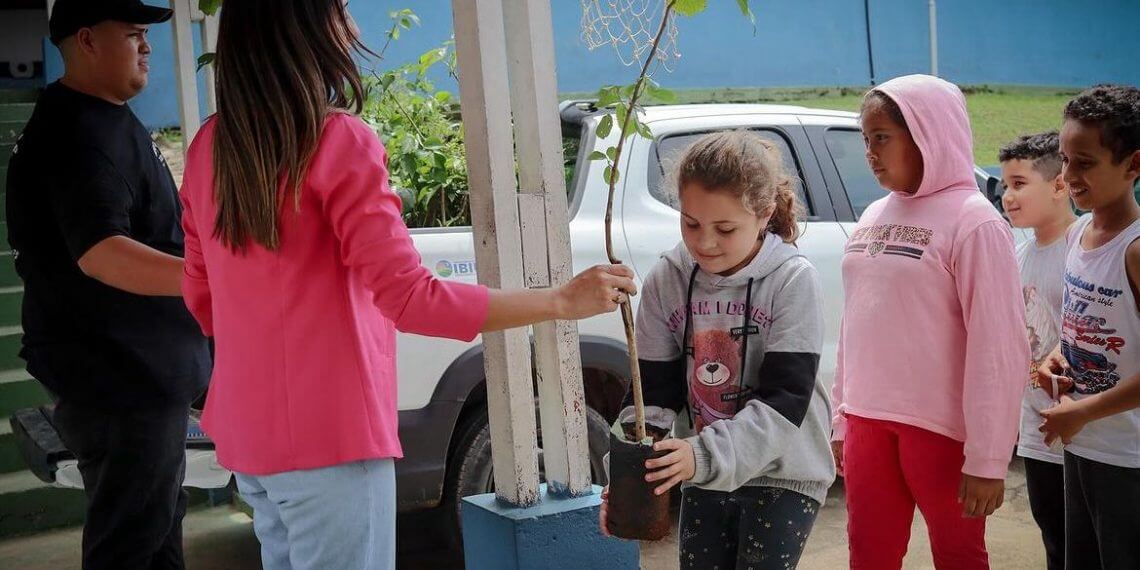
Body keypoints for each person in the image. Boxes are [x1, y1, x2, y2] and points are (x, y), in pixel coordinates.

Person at [177, 1, 637, 569]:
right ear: (307, 28)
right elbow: (410, 298)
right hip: (332, 440)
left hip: (248, 437)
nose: (350, 26)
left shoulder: (207, 147)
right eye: (340, 10)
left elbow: (202, 296)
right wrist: (559, 301)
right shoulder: (337, 142)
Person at [3, 1, 210, 568]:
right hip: (121, 382)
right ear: (88, 41)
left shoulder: (98, 116)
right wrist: (213, 280)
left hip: (137, 378)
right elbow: (101, 253)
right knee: (132, 542)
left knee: (157, 527)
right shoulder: (78, 134)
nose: (146, 46)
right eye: (134, 34)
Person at [597, 131, 835, 569]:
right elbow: (654, 394)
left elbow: (786, 402)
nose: (704, 242)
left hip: (784, 471)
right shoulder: (667, 279)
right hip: (703, 469)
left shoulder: (792, 280)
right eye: (690, 223)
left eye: (725, 228)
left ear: (763, 215)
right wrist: (630, 473)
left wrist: (700, 455)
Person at [829, 75, 1029, 569]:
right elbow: (855, 326)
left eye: (882, 137)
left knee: (959, 555)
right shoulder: (874, 214)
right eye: (866, 138)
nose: (870, 152)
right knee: (868, 553)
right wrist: (841, 418)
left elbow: (998, 346)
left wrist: (987, 458)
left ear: (927, 134)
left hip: (941, 431)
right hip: (867, 421)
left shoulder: (974, 221)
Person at [1037, 84, 1140, 569]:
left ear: (1133, 165)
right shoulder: (1078, 231)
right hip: (1083, 446)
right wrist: (1057, 355)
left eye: (1085, 162)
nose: (1069, 176)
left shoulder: (1135, 250)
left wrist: (1084, 411)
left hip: (1128, 457)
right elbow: (1082, 326)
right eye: (1064, 159)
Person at [998, 130, 1075, 570]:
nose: (1008, 196)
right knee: (1053, 536)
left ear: (1060, 185)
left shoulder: (1084, 244)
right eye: (1005, 184)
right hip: (1036, 427)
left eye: (1020, 184)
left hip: (1084, 428)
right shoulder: (1019, 254)